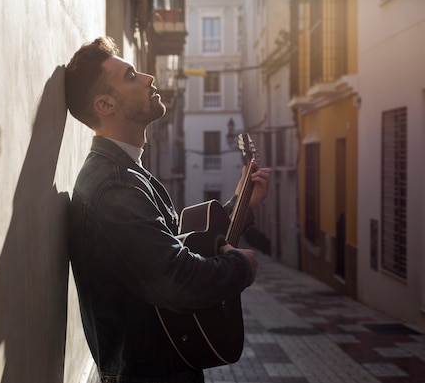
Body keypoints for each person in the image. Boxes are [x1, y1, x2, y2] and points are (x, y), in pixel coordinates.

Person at [65, 36, 271, 383]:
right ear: (105, 104)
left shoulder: (129, 173)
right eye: (131, 76)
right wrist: (241, 267)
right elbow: (176, 279)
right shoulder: (113, 185)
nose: (148, 78)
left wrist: (240, 206)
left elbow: (176, 240)